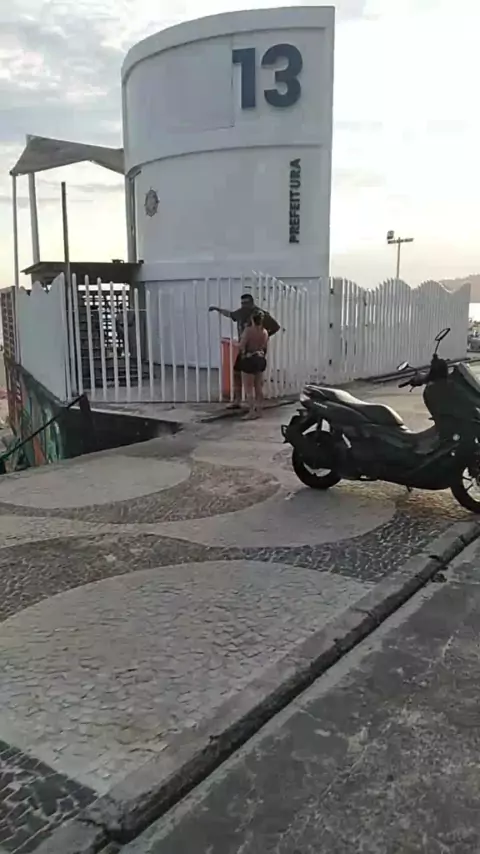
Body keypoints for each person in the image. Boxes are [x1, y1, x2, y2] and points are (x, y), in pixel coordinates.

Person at [209, 294, 280, 407]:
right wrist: (218, 309)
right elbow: (230, 314)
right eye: (242, 303)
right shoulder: (241, 313)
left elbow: (276, 327)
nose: (243, 306)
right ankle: (242, 402)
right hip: (247, 351)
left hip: (252, 351)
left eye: (246, 303)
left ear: (251, 303)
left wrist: (261, 337)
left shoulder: (259, 315)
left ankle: (252, 407)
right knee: (239, 374)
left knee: (252, 382)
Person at [239, 310, 269, 418]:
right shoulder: (264, 332)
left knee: (248, 387)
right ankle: (259, 410)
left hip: (250, 359)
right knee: (258, 387)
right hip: (260, 359)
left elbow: (242, 346)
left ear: (252, 319)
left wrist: (243, 354)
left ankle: (251, 411)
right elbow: (265, 348)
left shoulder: (248, 331)